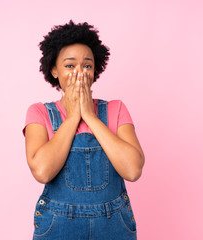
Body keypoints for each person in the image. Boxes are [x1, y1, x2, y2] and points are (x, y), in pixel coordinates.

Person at [23, 20, 145, 240]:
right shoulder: (39, 113)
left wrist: (89, 115)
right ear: (54, 70)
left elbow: (133, 169)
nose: (80, 72)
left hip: (114, 227)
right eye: (70, 65)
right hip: (58, 227)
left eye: (87, 65)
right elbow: (42, 171)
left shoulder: (115, 109)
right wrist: (73, 117)